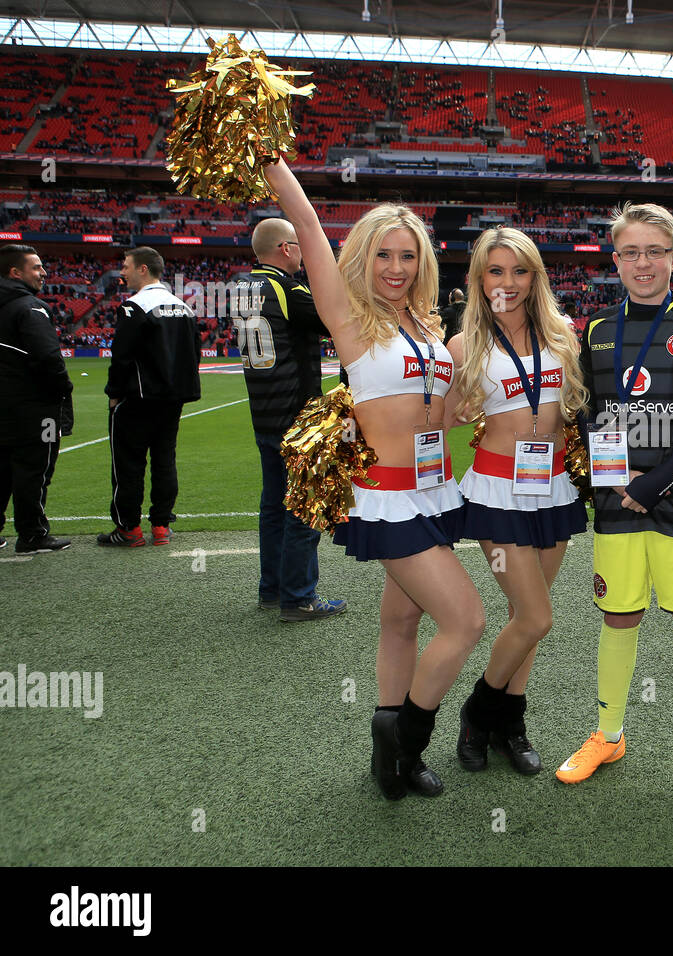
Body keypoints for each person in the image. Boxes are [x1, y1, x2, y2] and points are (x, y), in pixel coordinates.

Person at [264, 157, 486, 801]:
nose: (395, 268)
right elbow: (306, 225)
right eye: (384, 255)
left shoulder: (425, 324)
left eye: (407, 257)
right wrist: (276, 164)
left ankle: (387, 759)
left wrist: (460, 407)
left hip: (434, 488)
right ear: (363, 258)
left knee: (401, 621)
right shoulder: (351, 318)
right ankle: (406, 738)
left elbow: (433, 412)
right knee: (466, 619)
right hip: (389, 499)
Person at [558, 202, 673, 807]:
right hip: (616, 501)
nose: (643, 262)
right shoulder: (597, 329)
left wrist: (651, 483)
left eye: (654, 251)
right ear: (615, 260)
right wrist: (617, 483)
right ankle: (608, 735)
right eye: (631, 252)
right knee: (619, 616)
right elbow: (589, 412)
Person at [445, 227, 587, 774]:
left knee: (521, 616)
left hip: (553, 488)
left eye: (519, 271)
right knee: (535, 617)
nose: (508, 283)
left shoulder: (561, 335)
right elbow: (440, 414)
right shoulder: (464, 345)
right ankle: (477, 715)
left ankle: (510, 725)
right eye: (496, 271)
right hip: (497, 490)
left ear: (535, 277)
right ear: (480, 279)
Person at [242, 217, 346, 621]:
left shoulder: (241, 287)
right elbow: (332, 318)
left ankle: (272, 588)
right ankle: (299, 596)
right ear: (285, 249)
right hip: (296, 416)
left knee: (272, 505)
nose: (304, 253)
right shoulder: (286, 288)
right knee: (303, 506)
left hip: (262, 413)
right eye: (300, 246)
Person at [98, 247, 201, 548]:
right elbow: (193, 354)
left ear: (143, 269)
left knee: (128, 463)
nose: (122, 271)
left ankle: (129, 529)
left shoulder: (134, 307)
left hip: (137, 398)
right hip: (173, 398)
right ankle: (161, 525)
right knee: (164, 460)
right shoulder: (182, 306)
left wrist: (114, 394)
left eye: (126, 266)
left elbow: (122, 356)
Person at [0, 244, 73, 554]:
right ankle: (32, 534)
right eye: (36, 267)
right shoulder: (30, 307)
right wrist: (62, 389)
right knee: (35, 469)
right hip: (34, 406)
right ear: (15, 272)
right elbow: (47, 357)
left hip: (4, 405)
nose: (43, 273)